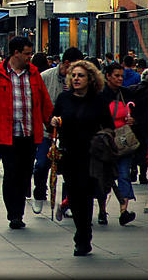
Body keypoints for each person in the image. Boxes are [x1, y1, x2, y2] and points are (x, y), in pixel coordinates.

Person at [0, 36, 53, 229]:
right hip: (5, 134)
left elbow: (44, 103)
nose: (30, 57)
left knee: (25, 173)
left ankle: (17, 209)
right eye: (27, 53)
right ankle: (15, 213)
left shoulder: (34, 74)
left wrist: (52, 124)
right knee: (11, 173)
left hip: (28, 134)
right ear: (15, 53)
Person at [49, 60, 113, 256]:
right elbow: (53, 121)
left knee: (86, 195)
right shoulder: (64, 98)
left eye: (81, 75)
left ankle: (83, 238)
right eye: (74, 75)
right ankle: (82, 231)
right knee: (75, 197)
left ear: (90, 79)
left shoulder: (98, 99)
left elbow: (108, 125)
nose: (76, 79)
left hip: (91, 155)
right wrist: (53, 122)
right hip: (69, 154)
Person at [32, 47, 83, 214]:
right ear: (66, 63)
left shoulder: (79, 82)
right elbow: (35, 102)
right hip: (47, 131)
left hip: (70, 132)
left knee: (70, 169)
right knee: (41, 165)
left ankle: (68, 202)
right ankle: (39, 193)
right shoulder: (45, 77)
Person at [98, 62, 137, 226]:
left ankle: (123, 210)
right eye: (116, 76)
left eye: (122, 76)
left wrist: (133, 120)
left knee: (124, 174)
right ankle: (101, 210)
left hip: (123, 142)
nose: (120, 79)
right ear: (107, 77)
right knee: (103, 177)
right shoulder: (100, 96)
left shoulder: (126, 94)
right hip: (105, 142)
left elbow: (137, 113)